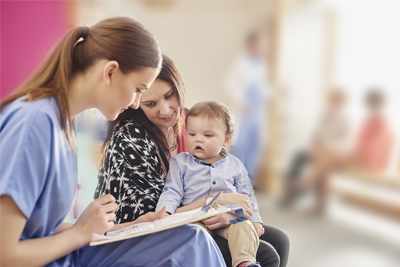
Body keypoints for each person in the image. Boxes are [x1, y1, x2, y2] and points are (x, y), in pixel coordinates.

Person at [0, 17, 226, 267]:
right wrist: (79, 233)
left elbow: (43, 230)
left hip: (68, 255)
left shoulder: (61, 123)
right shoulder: (34, 124)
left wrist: (128, 227)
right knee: (192, 244)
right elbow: (4, 253)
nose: (136, 103)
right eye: (139, 89)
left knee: (191, 239)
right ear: (110, 72)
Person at [95, 56, 290, 267]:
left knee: (280, 240)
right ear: (136, 104)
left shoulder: (188, 123)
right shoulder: (131, 138)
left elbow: (242, 193)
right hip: (144, 235)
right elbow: (153, 219)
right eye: (151, 104)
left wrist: (231, 215)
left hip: (201, 216)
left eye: (170, 95)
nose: (166, 110)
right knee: (266, 254)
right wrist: (214, 204)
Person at [156, 101, 264, 267]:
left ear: (226, 139)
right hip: (196, 218)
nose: (198, 139)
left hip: (230, 216)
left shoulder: (235, 164)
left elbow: (247, 194)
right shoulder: (180, 162)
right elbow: (172, 190)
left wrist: (255, 220)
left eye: (207, 135)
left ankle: (244, 262)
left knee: (244, 225)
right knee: (196, 236)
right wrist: (164, 213)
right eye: (192, 134)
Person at [224, 30, 270, 184]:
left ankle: (249, 181)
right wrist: (242, 102)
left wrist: (276, 91)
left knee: (254, 147)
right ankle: (236, 181)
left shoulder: (261, 65)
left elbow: (262, 89)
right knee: (240, 147)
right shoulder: (241, 62)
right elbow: (228, 83)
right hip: (245, 111)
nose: (262, 47)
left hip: (257, 112)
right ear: (251, 44)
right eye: (259, 44)